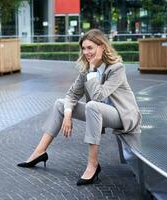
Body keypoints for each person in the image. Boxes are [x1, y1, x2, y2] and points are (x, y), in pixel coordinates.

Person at [17, 29, 142, 186]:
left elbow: (98, 96)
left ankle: (93, 164)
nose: (86, 52)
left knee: (93, 105)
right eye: (84, 48)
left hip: (123, 116)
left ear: (102, 47)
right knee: (60, 104)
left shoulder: (117, 68)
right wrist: (68, 114)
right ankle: (39, 152)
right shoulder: (86, 70)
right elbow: (71, 95)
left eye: (90, 48)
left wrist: (91, 70)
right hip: (99, 112)